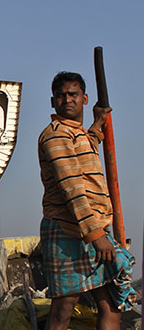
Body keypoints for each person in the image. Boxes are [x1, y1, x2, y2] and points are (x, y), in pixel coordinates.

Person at [39, 71, 135, 330]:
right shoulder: (55, 135)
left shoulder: (77, 133)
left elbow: (86, 146)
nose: (67, 100)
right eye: (61, 96)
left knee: (111, 305)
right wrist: (95, 235)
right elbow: (71, 187)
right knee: (64, 307)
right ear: (53, 102)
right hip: (68, 228)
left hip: (93, 227)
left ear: (84, 98)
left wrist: (97, 124)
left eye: (73, 94)